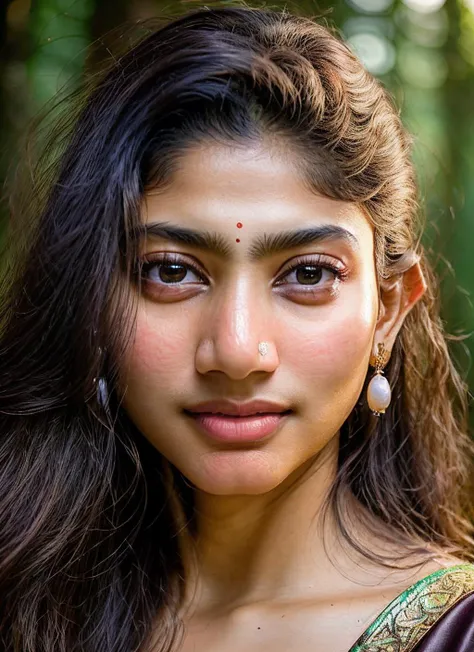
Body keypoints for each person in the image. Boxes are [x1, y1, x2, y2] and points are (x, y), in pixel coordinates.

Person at [0, 4, 473, 651]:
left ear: (388, 310)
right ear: (92, 299)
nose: (237, 350)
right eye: (170, 270)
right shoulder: (26, 603)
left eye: (307, 275)